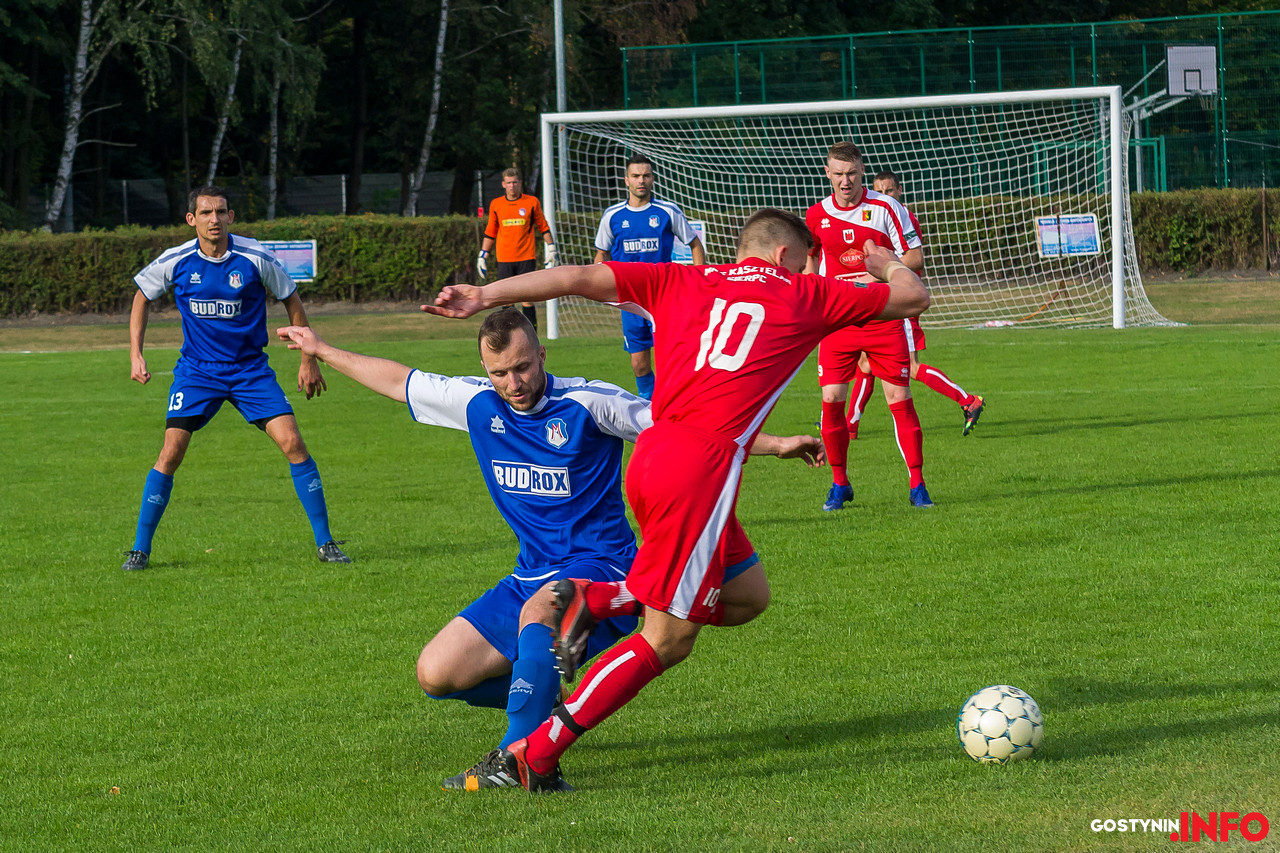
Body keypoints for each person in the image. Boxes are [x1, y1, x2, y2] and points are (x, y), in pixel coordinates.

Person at [422, 207, 928, 792]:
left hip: (653, 458)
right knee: (668, 638)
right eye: (806, 260)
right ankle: (535, 754)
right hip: (701, 473)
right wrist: (885, 261)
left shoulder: (681, 279)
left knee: (747, 595)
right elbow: (913, 297)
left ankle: (604, 598)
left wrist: (485, 294)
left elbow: (576, 277)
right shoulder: (805, 292)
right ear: (785, 256)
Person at [276, 307, 825, 792]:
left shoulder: (588, 402)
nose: (513, 383)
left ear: (541, 354)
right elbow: (399, 380)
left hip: (601, 565)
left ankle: (517, 759)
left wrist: (774, 443)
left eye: (522, 367)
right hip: (529, 572)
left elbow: (681, 429)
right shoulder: (476, 403)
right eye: (499, 373)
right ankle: (544, 701)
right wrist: (321, 349)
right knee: (436, 673)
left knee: (541, 612)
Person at [121, 185, 348, 571]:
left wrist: (308, 358)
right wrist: (135, 353)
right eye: (205, 213)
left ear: (231, 217)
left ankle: (326, 543)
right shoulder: (177, 260)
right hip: (197, 372)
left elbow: (291, 300)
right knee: (170, 452)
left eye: (221, 212)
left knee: (293, 443)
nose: (214, 219)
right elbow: (142, 296)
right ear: (191, 219)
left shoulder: (255, 256)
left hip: (250, 371)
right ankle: (140, 550)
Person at [804, 142, 932, 511]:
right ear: (827, 173)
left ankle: (918, 485)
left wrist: (876, 277)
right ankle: (839, 484)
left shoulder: (886, 207)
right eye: (838, 174)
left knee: (899, 399)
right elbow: (809, 260)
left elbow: (915, 257)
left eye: (852, 174)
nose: (845, 181)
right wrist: (813, 295)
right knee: (832, 400)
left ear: (862, 172)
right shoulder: (816, 215)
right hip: (838, 322)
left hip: (883, 316)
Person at [845, 170, 986, 440]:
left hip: (901, 301)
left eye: (889, 190)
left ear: (899, 191)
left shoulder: (903, 217)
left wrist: (879, 272)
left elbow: (913, 259)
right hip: (883, 300)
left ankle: (968, 400)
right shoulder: (877, 216)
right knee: (865, 363)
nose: (884, 195)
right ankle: (849, 427)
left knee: (910, 366)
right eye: (879, 191)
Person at [593, 154, 705, 401]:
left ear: (653, 179)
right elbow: (601, 254)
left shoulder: (667, 211)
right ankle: (649, 408)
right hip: (630, 300)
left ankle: (674, 406)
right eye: (636, 176)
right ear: (626, 180)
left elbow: (695, 244)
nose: (641, 180)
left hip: (663, 297)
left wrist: (699, 282)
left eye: (646, 175)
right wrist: (599, 287)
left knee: (669, 361)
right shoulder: (612, 215)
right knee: (639, 364)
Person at [477, 168, 557, 331]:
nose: (512, 186)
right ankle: (508, 336)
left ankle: (532, 335)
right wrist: (482, 255)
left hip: (526, 257)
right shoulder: (496, 204)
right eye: (508, 183)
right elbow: (491, 232)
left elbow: (543, 227)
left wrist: (552, 248)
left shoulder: (531, 202)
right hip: (504, 259)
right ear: (503, 184)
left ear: (519, 183)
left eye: (514, 182)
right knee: (507, 300)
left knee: (527, 299)